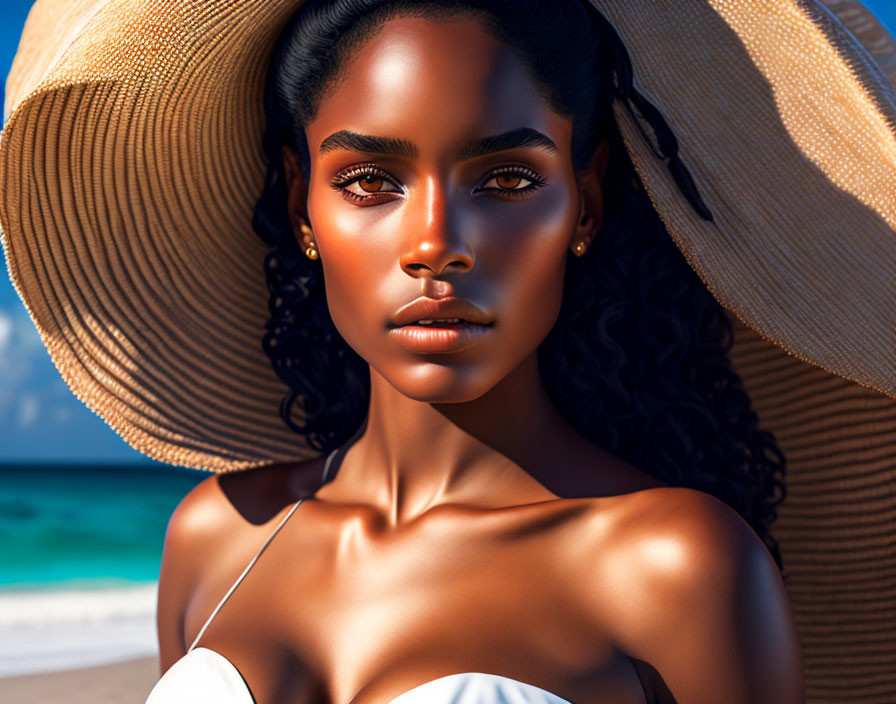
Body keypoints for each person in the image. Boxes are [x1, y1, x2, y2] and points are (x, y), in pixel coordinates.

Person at [2, 0, 895, 702]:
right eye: (370, 181)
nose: (437, 241)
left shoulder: (678, 569)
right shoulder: (217, 537)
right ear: (300, 203)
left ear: (583, 206)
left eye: (506, 179)